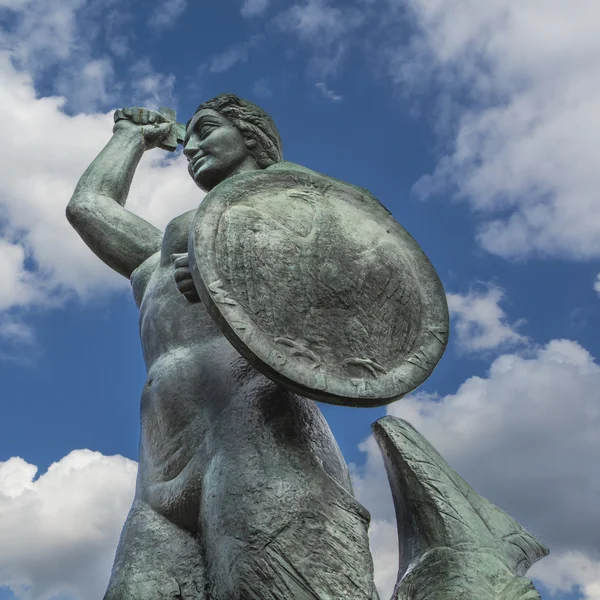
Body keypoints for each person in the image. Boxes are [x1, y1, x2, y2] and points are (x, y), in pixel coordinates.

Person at [67, 94, 379, 600]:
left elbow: (349, 283)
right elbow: (88, 207)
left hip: (257, 435)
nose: (191, 145)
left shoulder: (291, 206)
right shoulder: (164, 252)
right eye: (188, 136)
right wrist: (131, 136)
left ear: (252, 137)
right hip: (162, 464)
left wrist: (235, 269)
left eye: (207, 130)